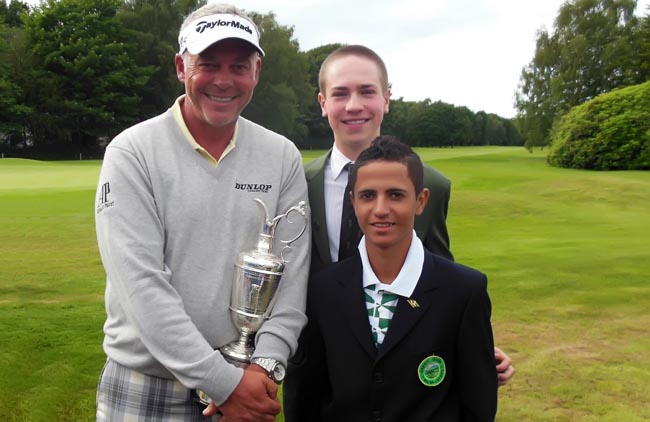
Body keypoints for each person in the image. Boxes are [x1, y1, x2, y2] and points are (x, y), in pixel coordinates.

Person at [94, 4, 310, 421]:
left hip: (247, 380)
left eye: (239, 66)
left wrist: (264, 367)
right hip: (148, 384)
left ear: (257, 71)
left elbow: (292, 277)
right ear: (181, 66)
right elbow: (142, 287)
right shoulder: (132, 152)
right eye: (207, 63)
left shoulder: (281, 155)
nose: (224, 81)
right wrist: (223, 383)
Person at [288, 43, 513, 397]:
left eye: (367, 92)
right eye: (340, 94)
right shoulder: (297, 183)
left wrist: (471, 343)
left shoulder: (432, 185)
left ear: (387, 98)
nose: (354, 105)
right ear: (322, 103)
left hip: (400, 373)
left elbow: (441, 276)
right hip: (324, 363)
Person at [288, 135, 498, 421]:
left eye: (396, 195)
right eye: (367, 195)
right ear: (353, 202)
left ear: (421, 201)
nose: (381, 209)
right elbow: (305, 396)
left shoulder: (464, 291)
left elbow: (478, 405)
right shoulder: (322, 290)